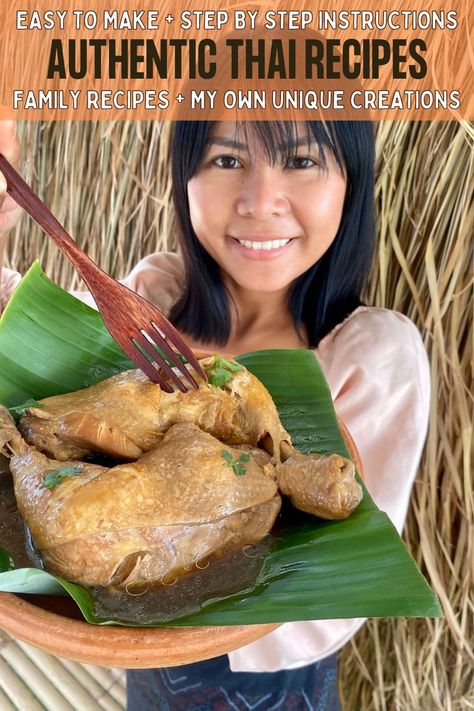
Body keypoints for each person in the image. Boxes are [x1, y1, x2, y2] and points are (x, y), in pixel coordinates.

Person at [0, 119, 430, 710]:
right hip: (145, 662)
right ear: (185, 179)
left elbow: (331, 595)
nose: (260, 201)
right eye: (227, 161)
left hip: (279, 678)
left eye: (301, 161)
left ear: (352, 181)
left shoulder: (373, 353)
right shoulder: (155, 290)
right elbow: (36, 344)